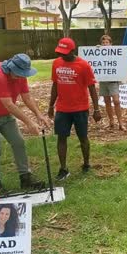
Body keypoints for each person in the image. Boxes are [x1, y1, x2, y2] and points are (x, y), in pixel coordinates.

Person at [0, 53, 50, 193]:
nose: (21, 77)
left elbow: (26, 98)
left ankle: (25, 177)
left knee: (18, 142)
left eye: (23, 74)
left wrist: (39, 115)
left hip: (6, 115)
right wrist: (29, 123)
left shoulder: (20, 75)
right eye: (19, 74)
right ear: (11, 68)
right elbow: (9, 104)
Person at [48, 37, 101, 180]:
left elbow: (92, 87)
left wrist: (96, 109)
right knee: (61, 138)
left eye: (65, 52)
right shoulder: (56, 63)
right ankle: (63, 168)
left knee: (83, 137)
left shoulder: (83, 65)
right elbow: (55, 85)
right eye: (60, 52)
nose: (62, 55)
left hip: (80, 108)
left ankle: (86, 163)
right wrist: (51, 105)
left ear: (72, 51)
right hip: (62, 109)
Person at [98, 35, 125, 131]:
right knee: (107, 101)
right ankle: (111, 121)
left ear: (111, 44)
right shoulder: (99, 53)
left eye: (107, 42)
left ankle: (120, 122)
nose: (105, 44)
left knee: (116, 101)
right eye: (103, 43)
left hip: (113, 80)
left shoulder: (115, 53)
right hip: (103, 80)